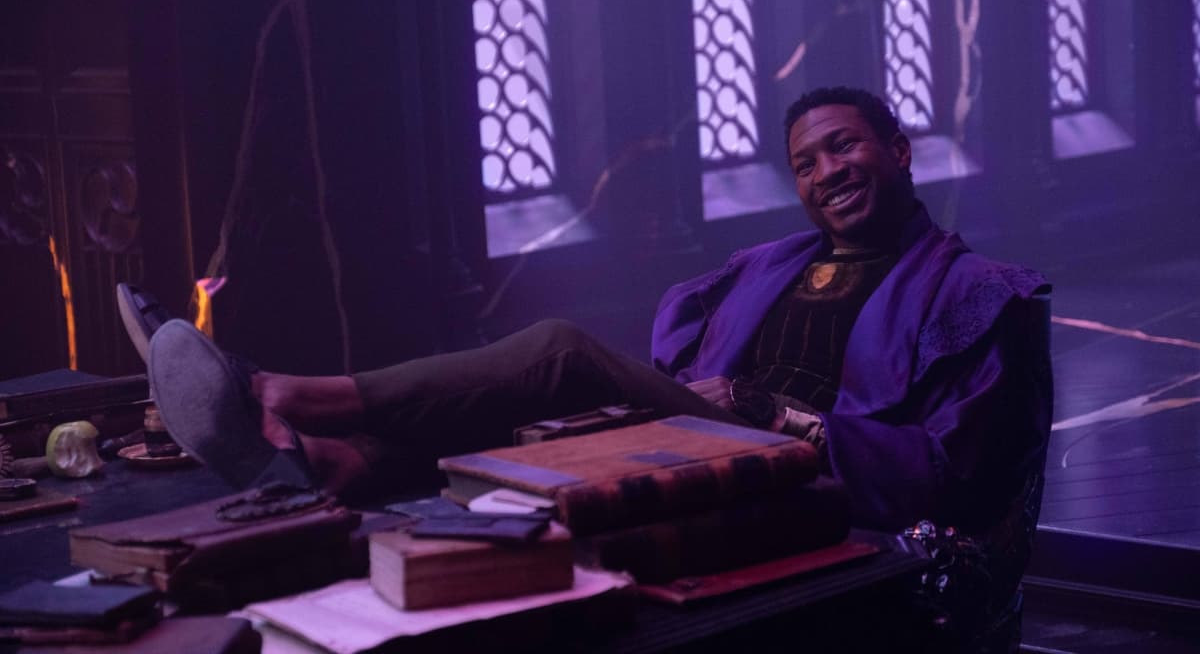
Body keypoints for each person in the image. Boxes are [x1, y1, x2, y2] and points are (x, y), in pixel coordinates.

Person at [124, 86, 1052, 540]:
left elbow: (949, 476)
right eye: (805, 165)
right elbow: (685, 365)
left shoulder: (972, 292)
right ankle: (340, 463)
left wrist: (775, 412)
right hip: (713, 435)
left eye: (843, 148)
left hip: (809, 469)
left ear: (898, 150)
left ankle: (279, 394)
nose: (825, 174)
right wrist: (690, 400)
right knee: (535, 418)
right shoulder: (774, 265)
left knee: (560, 350)